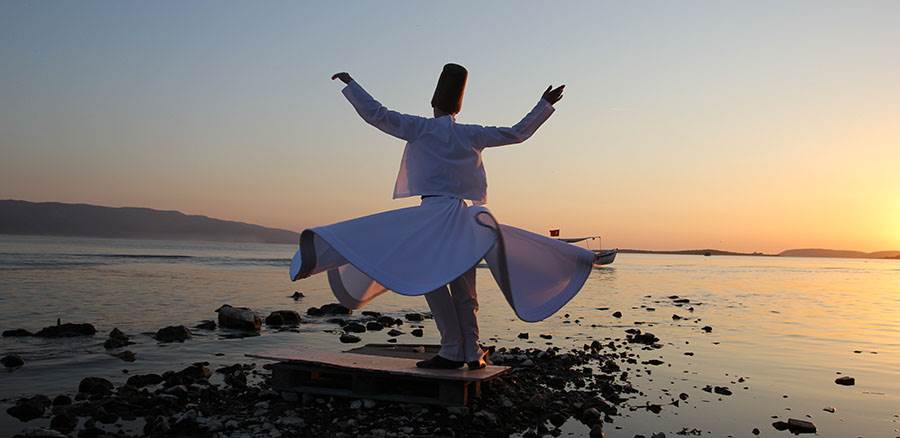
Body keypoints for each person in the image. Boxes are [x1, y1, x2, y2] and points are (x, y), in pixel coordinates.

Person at [290, 63, 597, 370]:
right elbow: (517, 133)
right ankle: (471, 351)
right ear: (457, 108)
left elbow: (377, 115)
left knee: (431, 281)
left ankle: (453, 349)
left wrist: (351, 85)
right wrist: (544, 105)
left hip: (431, 217)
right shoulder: (469, 133)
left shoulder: (419, 127)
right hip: (464, 219)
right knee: (465, 290)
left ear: (434, 102)